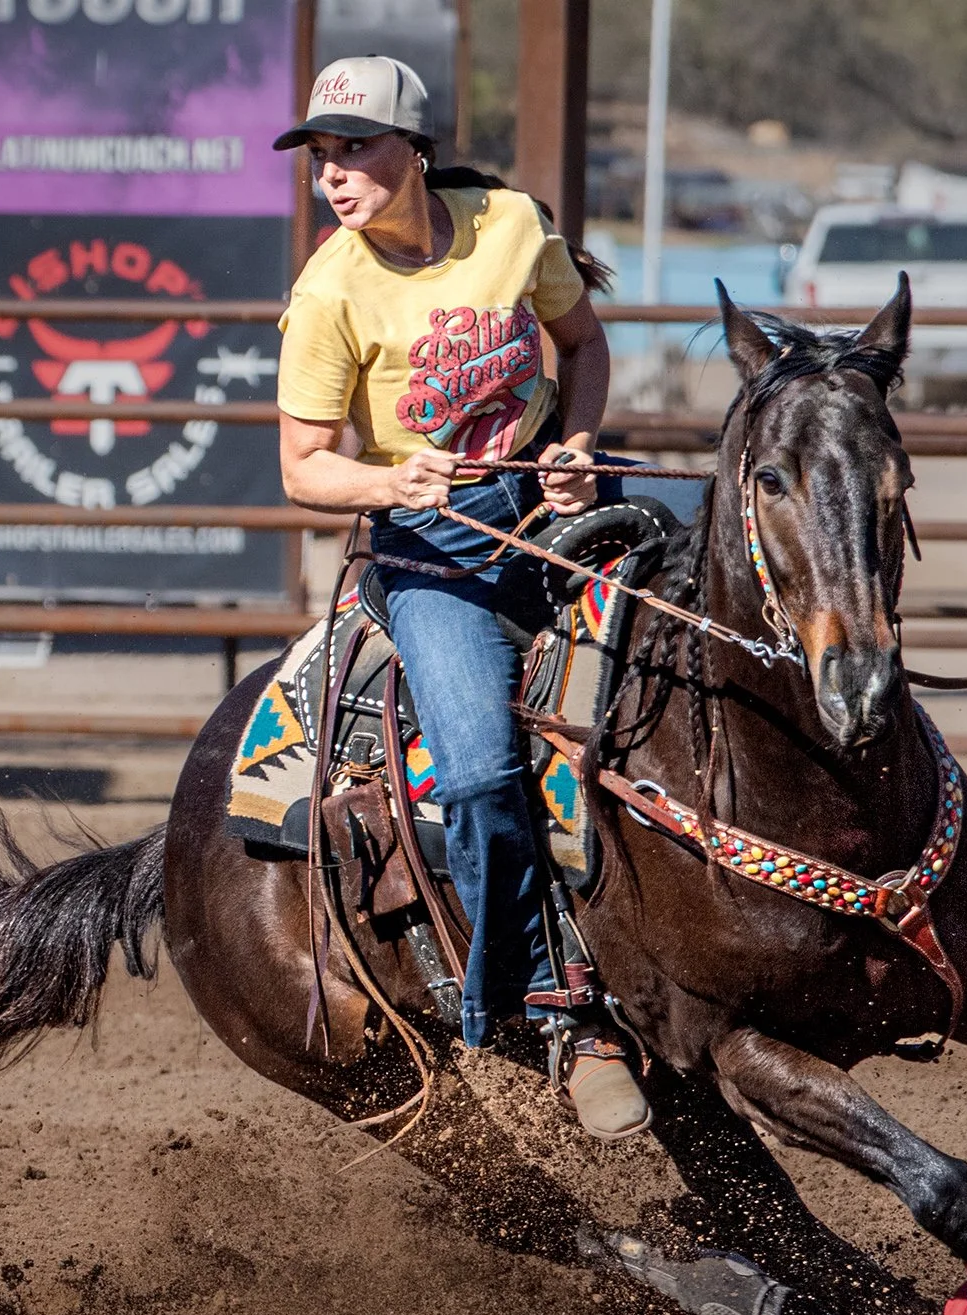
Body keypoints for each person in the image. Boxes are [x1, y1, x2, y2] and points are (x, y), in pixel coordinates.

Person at [274, 56, 650, 1140]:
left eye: (354, 150)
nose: (334, 178)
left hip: (551, 500)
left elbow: (579, 344)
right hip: (433, 547)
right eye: (322, 159)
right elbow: (304, 469)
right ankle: (546, 1008)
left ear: (415, 151)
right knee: (485, 771)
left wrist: (577, 443)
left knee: (708, 642)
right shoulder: (330, 292)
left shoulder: (511, 228)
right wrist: (393, 480)